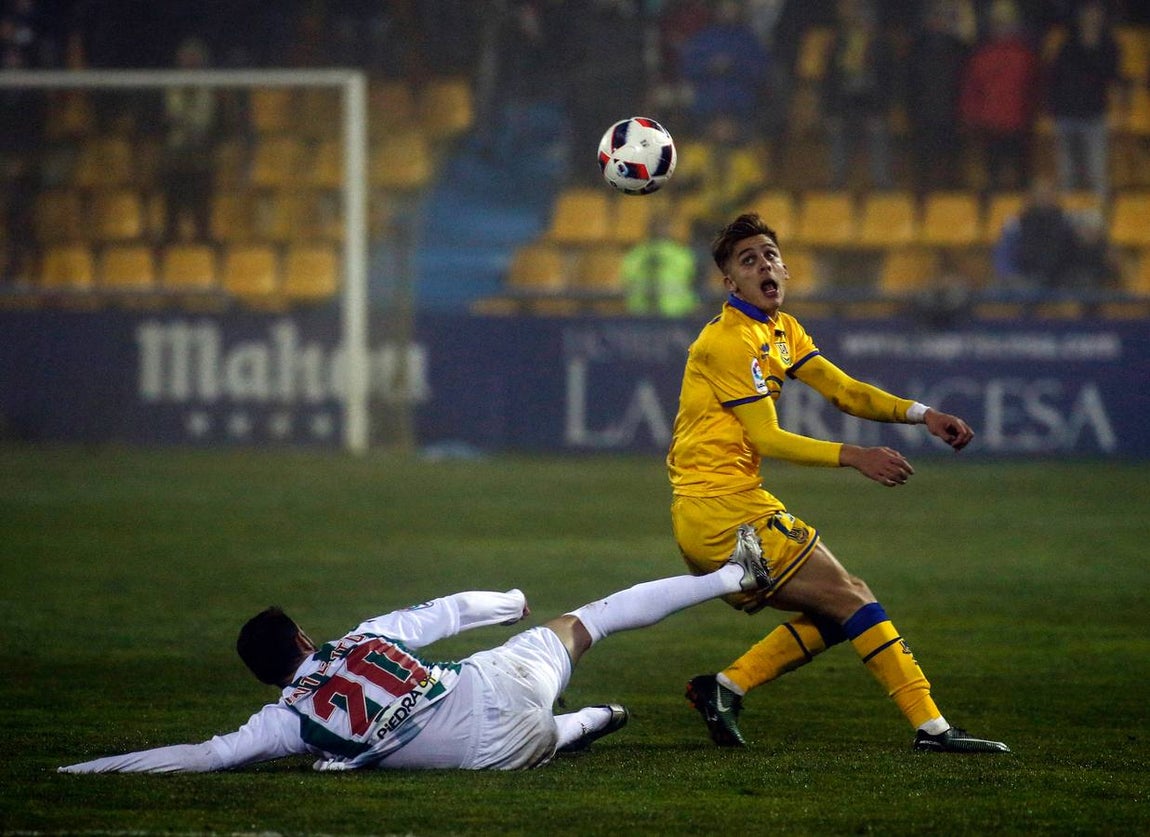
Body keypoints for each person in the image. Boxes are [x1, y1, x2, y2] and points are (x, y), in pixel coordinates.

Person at [670, 212, 1009, 754]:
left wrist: (923, 415)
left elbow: (845, 390)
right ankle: (933, 730)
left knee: (845, 604)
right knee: (851, 599)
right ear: (730, 283)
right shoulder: (727, 342)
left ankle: (725, 687)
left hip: (735, 501)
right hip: (718, 511)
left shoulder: (781, 329)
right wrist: (855, 455)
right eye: (749, 260)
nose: (765, 265)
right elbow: (768, 438)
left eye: (771, 255)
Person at [58, 542, 773, 773]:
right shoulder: (368, 635)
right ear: (305, 638)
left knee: (550, 736)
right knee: (594, 618)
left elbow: (201, 755)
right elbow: (451, 611)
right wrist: (512, 600)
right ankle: (731, 576)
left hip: (493, 746)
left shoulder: (288, 725)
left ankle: (592, 718)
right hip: (498, 675)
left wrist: (87, 767)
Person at [1045, 0, 1120, 202]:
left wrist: (1093, 48)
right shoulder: (1067, 44)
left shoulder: (1108, 45)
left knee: (1097, 174)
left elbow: (1109, 76)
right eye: (1087, 13)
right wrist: (1054, 108)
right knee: (1067, 176)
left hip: (1094, 115)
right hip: (1066, 114)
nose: (1091, 17)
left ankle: (1101, 226)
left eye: (1096, 13)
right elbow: (1055, 78)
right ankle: (1068, 226)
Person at [619, 214, 700, 317]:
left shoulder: (636, 254)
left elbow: (693, 283)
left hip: (673, 313)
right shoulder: (681, 254)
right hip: (648, 313)